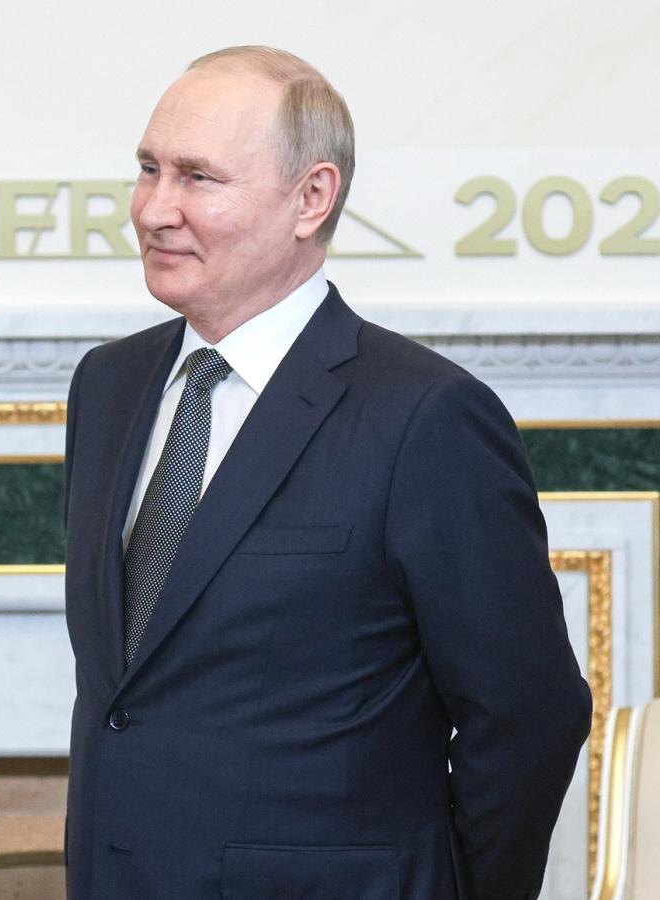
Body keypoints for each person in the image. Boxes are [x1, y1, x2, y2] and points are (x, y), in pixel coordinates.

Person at [62, 46, 591, 899]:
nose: (155, 209)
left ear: (311, 198)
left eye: (198, 177)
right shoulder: (109, 385)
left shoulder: (426, 417)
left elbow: (530, 714)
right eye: (149, 169)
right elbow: (131, 699)